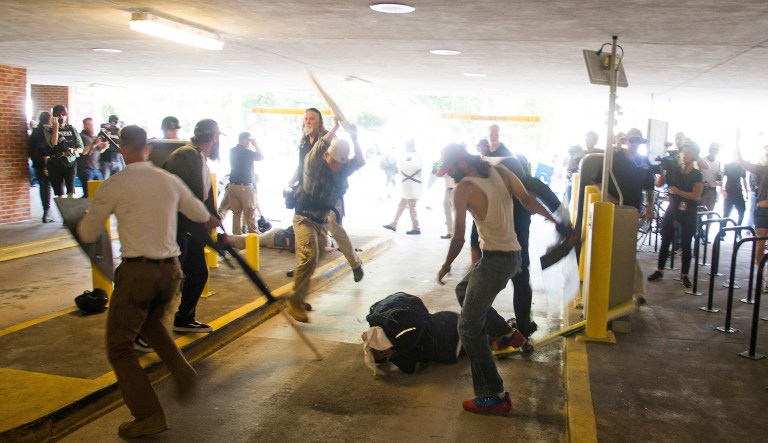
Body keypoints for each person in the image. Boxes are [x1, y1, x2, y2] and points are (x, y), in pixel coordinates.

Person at [77, 125, 219, 438]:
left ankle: (148, 415)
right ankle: (182, 371)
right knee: (150, 323)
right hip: (171, 272)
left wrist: (81, 220)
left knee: (119, 347)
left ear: (121, 149)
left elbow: (87, 232)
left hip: (137, 273)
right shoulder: (168, 180)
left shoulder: (115, 184)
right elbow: (200, 214)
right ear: (148, 149)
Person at [435, 143, 561, 415]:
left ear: (461, 163)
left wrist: (445, 265)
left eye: (451, 169)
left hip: (495, 261)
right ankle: (506, 333)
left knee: (468, 328)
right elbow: (528, 200)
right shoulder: (501, 171)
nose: (450, 175)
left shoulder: (463, 188)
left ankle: (492, 394)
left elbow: (458, 236)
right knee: (463, 290)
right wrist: (554, 219)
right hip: (513, 256)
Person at [286, 119, 365, 322]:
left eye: (341, 163)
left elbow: (360, 161)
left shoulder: (341, 168)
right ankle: (294, 301)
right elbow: (320, 145)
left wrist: (355, 138)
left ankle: (299, 296)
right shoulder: (313, 165)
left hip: (321, 222)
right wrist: (336, 127)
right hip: (304, 218)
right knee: (309, 257)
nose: (337, 167)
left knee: (314, 259)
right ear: (326, 155)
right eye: (334, 162)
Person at [163, 118, 222, 333]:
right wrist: (203, 218)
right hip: (177, 228)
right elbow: (175, 195)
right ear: (214, 138)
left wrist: (212, 217)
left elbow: (203, 195)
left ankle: (184, 318)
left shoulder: (198, 157)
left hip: (191, 228)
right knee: (170, 280)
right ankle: (147, 328)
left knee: (197, 274)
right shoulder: (185, 156)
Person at [647, 141, 703, 288]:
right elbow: (658, 184)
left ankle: (684, 275)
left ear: (694, 155)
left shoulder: (696, 174)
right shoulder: (673, 170)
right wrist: (663, 171)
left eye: (688, 152)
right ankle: (660, 270)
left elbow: (696, 196)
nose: (685, 155)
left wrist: (678, 192)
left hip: (689, 212)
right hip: (672, 209)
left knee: (686, 243)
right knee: (665, 240)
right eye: (683, 152)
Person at [227, 132, 265, 235]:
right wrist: (256, 145)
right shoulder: (246, 152)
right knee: (250, 214)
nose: (250, 143)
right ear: (244, 140)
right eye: (249, 140)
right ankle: (254, 238)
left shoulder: (232, 151)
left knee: (236, 214)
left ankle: (236, 238)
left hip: (232, 186)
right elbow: (261, 156)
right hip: (244, 187)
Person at [383, 138, 423, 235]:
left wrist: (440, 165)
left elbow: (433, 166)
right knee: (401, 205)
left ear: (410, 145)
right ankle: (394, 224)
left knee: (412, 206)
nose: (405, 148)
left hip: (413, 185)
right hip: (407, 185)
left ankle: (416, 228)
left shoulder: (418, 155)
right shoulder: (407, 155)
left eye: (406, 145)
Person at [45, 104, 83, 197]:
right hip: (55, 163)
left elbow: (81, 148)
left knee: (71, 191)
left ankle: (70, 205)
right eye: (58, 115)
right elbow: (53, 143)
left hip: (70, 162)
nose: (61, 116)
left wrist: (74, 150)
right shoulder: (49, 129)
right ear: (54, 116)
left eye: (63, 114)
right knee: (60, 193)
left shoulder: (72, 129)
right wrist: (56, 127)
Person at [28, 111, 54, 222]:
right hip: (44, 162)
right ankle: (47, 212)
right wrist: (46, 166)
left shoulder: (35, 131)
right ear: (49, 119)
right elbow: (44, 149)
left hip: (36, 162)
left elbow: (30, 148)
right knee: (46, 186)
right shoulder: (45, 131)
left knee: (42, 186)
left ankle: (46, 210)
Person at [77, 118, 107, 198]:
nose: (91, 126)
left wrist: (103, 147)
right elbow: (83, 152)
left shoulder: (94, 137)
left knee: (101, 191)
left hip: (96, 168)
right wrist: (94, 144)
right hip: (85, 169)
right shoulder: (81, 136)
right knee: (88, 194)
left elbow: (98, 151)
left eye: (92, 124)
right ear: (84, 126)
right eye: (89, 124)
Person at [721, 152, 748, 238]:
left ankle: (738, 230)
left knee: (742, 210)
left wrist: (746, 192)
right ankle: (722, 232)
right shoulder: (728, 165)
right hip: (729, 191)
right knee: (726, 212)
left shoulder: (742, 167)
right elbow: (722, 178)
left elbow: (744, 179)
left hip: (738, 191)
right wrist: (722, 189)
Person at [100, 114, 125, 178]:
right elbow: (100, 143)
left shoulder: (119, 132)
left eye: (116, 122)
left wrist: (119, 134)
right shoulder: (104, 130)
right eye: (112, 122)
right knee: (105, 180)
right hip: (106, 160)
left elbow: (123, 144)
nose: (114, 124)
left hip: (117, 160)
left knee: (119, 180)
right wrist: (107, 132)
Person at [699, 143, 722, 212]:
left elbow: (719, 178)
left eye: (716, 150)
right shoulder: (703, 160)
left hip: (713, 190)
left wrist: (719, 179)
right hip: (703, 189)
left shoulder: (718, 162)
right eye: (713, 149)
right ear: (710, 150)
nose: (714, 152)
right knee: (700, 211)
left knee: (710, 212)